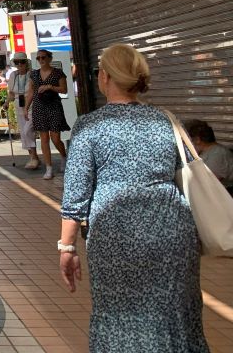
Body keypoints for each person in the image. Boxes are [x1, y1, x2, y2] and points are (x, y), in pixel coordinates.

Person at [59, 44, 208, 351]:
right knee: (173, 317)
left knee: (119, 317)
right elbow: (185, 175)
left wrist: (67, 247)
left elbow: (76, 196)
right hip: (172, 233)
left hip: (115, 236)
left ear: (105, 78)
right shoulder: (166, 120)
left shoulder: (90, 126)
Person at [26, 49, 70, 179]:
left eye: (43, 57)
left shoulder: (58, 73)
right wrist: (26, 108)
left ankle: (63, 157)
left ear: (49, 58)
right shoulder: (34, 74)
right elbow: (30, 92)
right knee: (44, 139)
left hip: (54, 106)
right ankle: (49, 168)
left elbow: (64, 89)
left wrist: (51, 87)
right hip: (39, 107)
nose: (41, 60)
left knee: (55, 138)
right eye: (38, 58)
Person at [7, 53, 38, 169]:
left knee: (27, 131)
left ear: (26, 62)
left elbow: (34, 90)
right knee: (24, 134)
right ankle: (33, 157)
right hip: (18, 104)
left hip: (31, 104)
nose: (19, 64)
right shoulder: (13, 75)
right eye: (17, 62)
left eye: (22, 62)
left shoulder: (32, 74)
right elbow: (11, 93)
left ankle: (34, 157)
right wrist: (6, 103)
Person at [184, 119, 233, 191]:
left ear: (197, 139)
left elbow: (208, 183)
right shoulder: (206, 152)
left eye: (186, 141)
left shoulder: (218, 154)